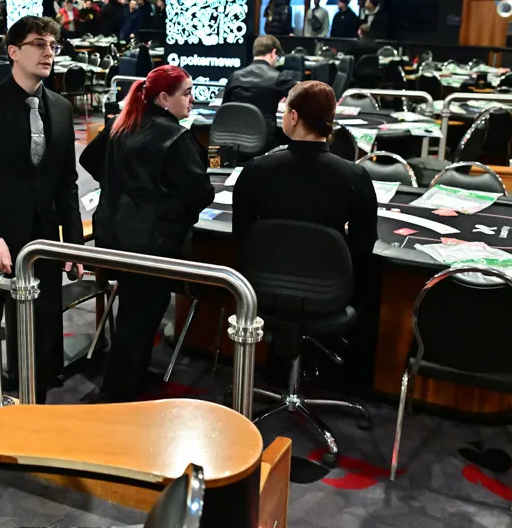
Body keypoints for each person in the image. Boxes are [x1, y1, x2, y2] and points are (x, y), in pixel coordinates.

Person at [0, 15, 84, 403]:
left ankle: (33, 407)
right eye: (39, 44)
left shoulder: (60, 108)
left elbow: (67, 182)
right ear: (13, 51)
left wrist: (73, 243)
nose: (49, 53)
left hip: (41, 240)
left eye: (53, 46)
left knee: (41, 334)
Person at [79, 65, 214, 401]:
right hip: (153, 244)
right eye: (186, 93)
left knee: (134, 313)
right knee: (141, 315)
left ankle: (129, 382)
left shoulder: (124, 123)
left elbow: (89, 158)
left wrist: (120, 185)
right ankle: (120, 393)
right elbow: (200, 193)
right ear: (164, 98)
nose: (192, 99)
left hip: (114, 236)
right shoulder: (175, 138)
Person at [232, 80, 379, 306]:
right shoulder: (354, 176)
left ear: (293, 117)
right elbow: (363, 247)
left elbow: (241, 235)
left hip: (262, 290)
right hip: (329, 293)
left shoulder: (256, 170)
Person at [222, 34, 300, 147]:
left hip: (233, 140)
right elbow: (305, 96)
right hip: (265, 141)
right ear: (273, 53)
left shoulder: (235, 76)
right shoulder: (278, 78)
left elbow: (224, 108)